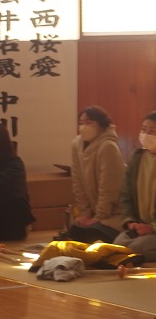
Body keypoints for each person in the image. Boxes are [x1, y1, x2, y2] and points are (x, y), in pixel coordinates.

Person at [66, 105, 125, 243]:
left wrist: (99, 217)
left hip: (114, 213)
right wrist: (85, 213)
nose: (84, 127)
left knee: (93, 233)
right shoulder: (77, 144)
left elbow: (109, 188)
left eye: (89, 122)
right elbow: (77, 182)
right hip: (93, 212)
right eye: (81, 123)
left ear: (101, 125)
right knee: (75, 231)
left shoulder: (108, 146)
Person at [112, 112, 156, 261]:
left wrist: (152, 227)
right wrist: (130, 221)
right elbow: (126, 194)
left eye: (152, 131)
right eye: (144, 130)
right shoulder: (137, 157)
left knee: (137, 249)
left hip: (153, 228)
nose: (146, 135)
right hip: (141, 225)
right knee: (118, 245)